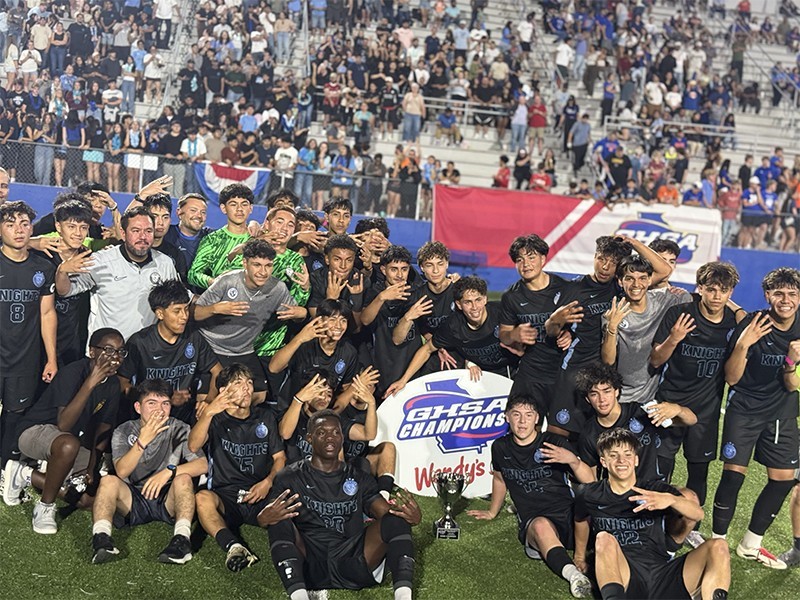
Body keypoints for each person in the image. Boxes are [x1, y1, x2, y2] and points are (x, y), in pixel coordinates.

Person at [261, 409, 421, 600]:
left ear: (342, 438)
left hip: (352, 561)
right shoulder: (289, 476)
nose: (330, 438)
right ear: (310, 438)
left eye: (336, 432)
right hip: (309, 564)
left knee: (396, 521)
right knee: (279, 520)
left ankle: (404, 596)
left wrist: (408, 516)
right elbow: (267, 515)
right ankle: (298, 595)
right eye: (322, 432)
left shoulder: (359, 478)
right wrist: (264, 517)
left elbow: (384, 512)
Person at [574, 428, 731, 600]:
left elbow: (697, 514)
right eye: (613, 455)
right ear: (603, 461)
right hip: (625, 574)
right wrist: (580, 556)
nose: (621, 460)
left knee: (719, 546)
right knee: (604, 538)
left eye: (627, 454)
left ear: (636, 460)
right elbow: (581, 519)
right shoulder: (589, 493)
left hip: (662, 572)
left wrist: (672, 500)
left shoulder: (655, 489)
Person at [712, 267, 800, 568]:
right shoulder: (754, 322)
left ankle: (751, 543)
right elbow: (732, 378)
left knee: (783, 480)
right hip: (745, 409)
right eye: (778, 293)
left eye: (791, 294)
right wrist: (743, 344)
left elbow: (792, 384)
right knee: (734, 475)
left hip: (781, 413)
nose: (785, 300)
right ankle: (718, 539)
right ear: (767, 296)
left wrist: (791, 360)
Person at [650, 262, 742, 546]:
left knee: (698, 470)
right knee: (660, 467)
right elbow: (655, 360)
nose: (716, 296)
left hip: (706, 411)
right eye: (710, 289)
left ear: (731, 292)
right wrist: (674, 339)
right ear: (699, 288)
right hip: (668, 404)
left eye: (723, 291)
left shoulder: (734, 323)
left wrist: (738, 311)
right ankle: (655, 523)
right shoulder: (680, 314)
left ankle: (690, 527)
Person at [467, 394, 594, 597]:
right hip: (536, 519)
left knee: (597, 517)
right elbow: (500, 480)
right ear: (507, 417)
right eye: (516, 414)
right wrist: (492, 512)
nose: (522, 421)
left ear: (537, 418)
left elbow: (590, 483)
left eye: (528, 415)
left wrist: (573, 461)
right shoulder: (500, 447)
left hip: (570, 515)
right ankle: (575, 577)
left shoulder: (553, 441)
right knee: (540, 526)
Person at [4, 329, 124, 532]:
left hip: (70, 439)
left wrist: (92, 467)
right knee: (68, 445)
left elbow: (103, 428)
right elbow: (64, 425)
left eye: (120, 352)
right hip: (35, 431)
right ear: (92, 352)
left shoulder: (113, 384)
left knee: (86, 499)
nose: (115, 357)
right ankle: (44, 507)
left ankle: (25, 474)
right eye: (108, 350)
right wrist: (91, 383)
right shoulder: (73, 373)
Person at [89, 379, 208, 564]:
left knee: (183, 478)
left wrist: (169, 471)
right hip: (133, 497)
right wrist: (142, 441)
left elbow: (202, 465)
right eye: (151, 403)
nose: (159, 410)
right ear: (138, 407)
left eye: (165, 404)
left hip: (166, 499)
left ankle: (182, 541)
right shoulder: (124, 429)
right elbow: (121, 471)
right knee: (108, 481)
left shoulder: (179, 427)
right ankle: (102, 540)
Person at [190, 363, 286, 571]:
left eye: (249, 382)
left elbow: (280, 458)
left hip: (259, 491)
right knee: (202, 499)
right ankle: (233, 546)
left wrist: (267, 483)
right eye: (238, 382)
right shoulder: (214, 419)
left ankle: (287, 551)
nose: (247, 388)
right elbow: (194, 445)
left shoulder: (265, 417)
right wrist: (208, 413)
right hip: (226, 496)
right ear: (223, 391)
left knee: (287, 506)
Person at [193, 239, 303, 404]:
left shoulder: (277, 288)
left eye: (268, 266)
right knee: (206, 398)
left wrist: (302, 312)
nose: (263, 272)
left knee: (259, 394)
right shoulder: (228, 281)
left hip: (243, 349)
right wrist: (215, 308)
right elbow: (195, 314)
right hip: (211, 345)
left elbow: (297, 313)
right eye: (257, 265)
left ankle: (232, 421)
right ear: (245, 263)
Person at [57, 206, 179, 343]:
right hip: (106, 353)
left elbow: (177, 301)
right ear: (123, 232)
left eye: (148, 231)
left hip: (147, 353)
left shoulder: (165, 263)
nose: (143, 237)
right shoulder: (100, 261)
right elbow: (65, 291)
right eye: (136, 231)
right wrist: (62, 271)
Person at [386, 276, 519, 395]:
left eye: (478, 300)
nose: (474, 307)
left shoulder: (503, 313)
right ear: (459, 305)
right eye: (468, 302)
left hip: (511, 369)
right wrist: (403, 381)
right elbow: (426, 349)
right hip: (480, 374)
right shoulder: (453, 326)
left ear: (485, 299)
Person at [0, 201, 57, 473]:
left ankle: (3, 466)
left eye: (24, 224)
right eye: (10, 225)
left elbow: (47, 315)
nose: (18, 230)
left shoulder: (43, 268)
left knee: (14, 414)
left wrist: (51, 358)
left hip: (25, 358)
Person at [117, 279, 222, 424]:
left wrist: (208, 402)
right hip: (149, 418)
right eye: (177, 311)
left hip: (185, 416)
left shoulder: (193, 338)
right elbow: (122, 383)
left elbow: (217, 371)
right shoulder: (140, 342)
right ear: (160, 313)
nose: (184, 316)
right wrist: (164, 400)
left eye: (186, 309)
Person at [576, 363, 696, 485]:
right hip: (619, 492)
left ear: (616, 391)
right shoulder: (589, 434)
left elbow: (691, 420)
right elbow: (591, 478)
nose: (602, 399)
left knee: (689, 497)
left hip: (652, 486)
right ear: (587, 399)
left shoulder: (640, 412)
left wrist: (678, 409)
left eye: (607, 391)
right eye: (594, 394)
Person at [600, 255, 688, 404]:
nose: (636, 284)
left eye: (642, 278)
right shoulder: (613, 313)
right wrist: (612, 328)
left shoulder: (666, 301)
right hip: (622, 396)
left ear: (649, 280)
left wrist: (740, 313)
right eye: (629, 278)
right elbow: (608, 362)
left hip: (654, 397)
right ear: (620, 281)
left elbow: (706, 300)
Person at [187, 183, 253, 291]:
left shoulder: (258, 237)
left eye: (244, 204)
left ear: (251, 208)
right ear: (223, 208)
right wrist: (216, 283)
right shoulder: (212, 240)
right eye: (233, 204)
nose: (239, 209)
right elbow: (193, 274)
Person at [163, 193, 212, 268]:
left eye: (203, 212)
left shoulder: (212, 237)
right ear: (179, 212)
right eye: (193, 210)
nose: (199, 216)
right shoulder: (165, 234)